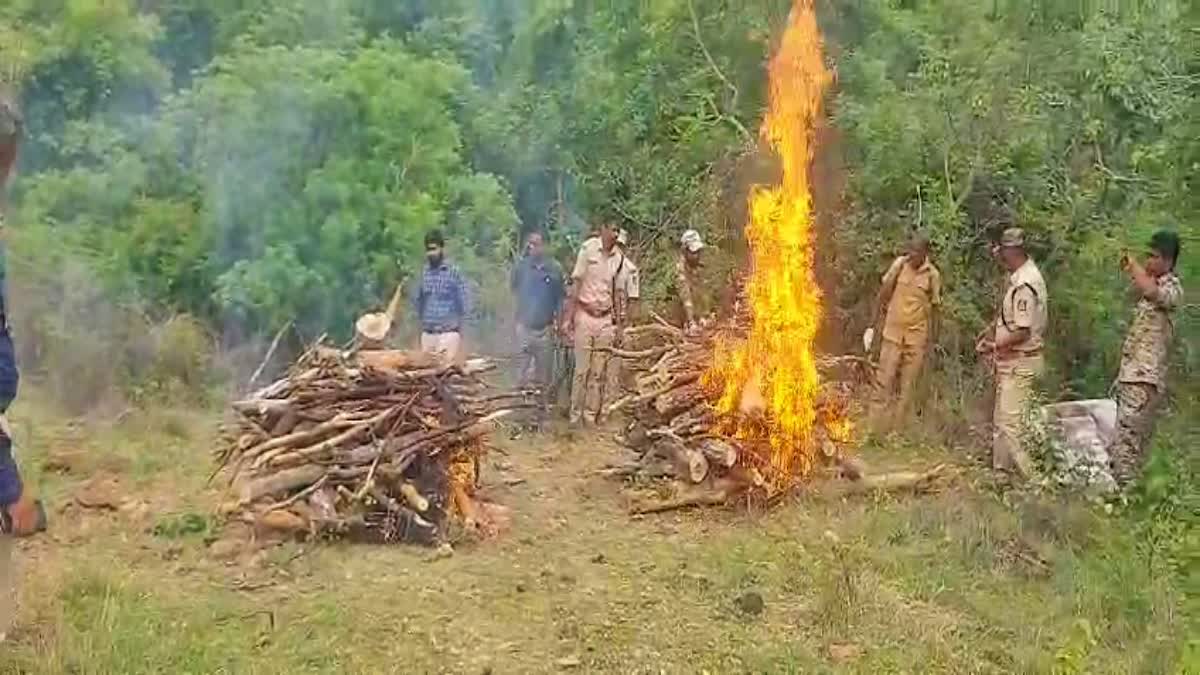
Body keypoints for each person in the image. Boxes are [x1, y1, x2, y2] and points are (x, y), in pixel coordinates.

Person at [1110, 231, 1183, 488]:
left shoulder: (1171, 289)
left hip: (1144, 379)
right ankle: (1124, 493)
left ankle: (1124, 497)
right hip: (1132, 376)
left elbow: (1154, 293)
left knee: (1128, 443)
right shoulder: (1148, 288)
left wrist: (1135, 269)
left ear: (1167, 261)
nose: (1148, 261)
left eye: (1153, 257)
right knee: (1122, 440)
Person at [976, 227, 1048, 478]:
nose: (998, 255)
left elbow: (1023, 331)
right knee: (1001, 422)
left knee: (1012, 427)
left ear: (1012, 251)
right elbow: (1012, 321)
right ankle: (1001, 475)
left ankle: (1035, 483)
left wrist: (995, 345)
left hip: (1021, 362)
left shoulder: (1026, 283)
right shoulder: (1020, 277)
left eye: (1002, 250)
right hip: (1013, 361)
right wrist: (991, 334)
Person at [562, 221, 632, 425]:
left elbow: (619, 295)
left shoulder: (619, 259)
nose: (615, 234)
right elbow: (576, 284)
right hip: (585, 315)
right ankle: (575, 416)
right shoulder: (588, 250)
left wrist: (619, 327)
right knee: (581, 371)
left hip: (605, 320)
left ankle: (589, 415)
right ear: (602, 229)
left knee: (597, 373)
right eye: (612, 229)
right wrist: (568, 318)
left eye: (618, 230)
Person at [869, 234, 942, 427]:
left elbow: (935, 309)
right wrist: (873, 324)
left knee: (907, 387)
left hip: (916, 337)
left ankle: (898, 430)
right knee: (884, 379)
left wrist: (932, 342)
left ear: (925, 253)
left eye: (916, 252)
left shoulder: (932, 275)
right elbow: (884, 292)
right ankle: (875, 427)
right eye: (910, 250)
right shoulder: (899, 265)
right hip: (893, 333)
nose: (911, 255)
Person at [510, 230, 564, 407]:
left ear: (544, 246)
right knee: (521, 371)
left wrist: (560, 324)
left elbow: (560, 299)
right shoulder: (521, 267)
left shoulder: (555, 269)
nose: (532, 247)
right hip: (524, 327)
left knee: (543, 374)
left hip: (545, 328)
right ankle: (519, 409)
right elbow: (514, 291)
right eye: (530, 244)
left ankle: (541, 411)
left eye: (536, 244)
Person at [413, 229, 470, 365]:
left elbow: (464, 303)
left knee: (443, 373)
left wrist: (463, 331)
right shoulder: (425, 273)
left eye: (434, 249)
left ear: (441, 248)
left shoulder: (453, 272)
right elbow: (419, 302)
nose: (431, 254)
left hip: (448, 333)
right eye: (428, 250)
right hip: (428, 333)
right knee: (426, 374)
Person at [674, 229, 706, 334]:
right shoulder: (680, 270)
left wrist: (702, 316)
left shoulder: (695, 266)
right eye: (693, 252)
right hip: (681, 320)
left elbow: (699, 293)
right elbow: (686, 297)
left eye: (698, 252)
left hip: (694, 315)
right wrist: (691, 322)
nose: (696, 255)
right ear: (685, 250)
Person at [614, 229, 641, 325]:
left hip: (620, 321)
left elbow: (633, 299)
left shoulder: (631, 270)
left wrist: (627, 324)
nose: (616, 248)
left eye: (619, 245)